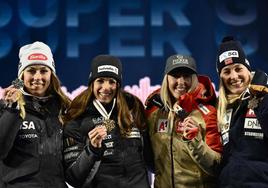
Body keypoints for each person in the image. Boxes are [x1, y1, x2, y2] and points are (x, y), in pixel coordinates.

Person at [63, 55, 152, 188]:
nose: (106, 87)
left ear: (118, 84)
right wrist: (92, 150)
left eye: (111, 81)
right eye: (100, 80)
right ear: (92, 83)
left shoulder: (133, 108)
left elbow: (150, 159)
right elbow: (73, 178)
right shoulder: (77, 118)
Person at [145, 54, 222, 188]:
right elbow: (149, 159)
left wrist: (195, 142)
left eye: (186, 76)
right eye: (175, 76)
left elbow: (216, 166)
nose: (181, 82)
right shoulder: (153, 112)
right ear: (166, 79)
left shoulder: (207, 114)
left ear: (194, 79)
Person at [0, 41, 71, 187]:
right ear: (21, 75)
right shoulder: (6, 107)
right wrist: (13, 109)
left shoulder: (64, 108)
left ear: (51, 74)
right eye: (31, 70)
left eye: (44, 71)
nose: (37, 77)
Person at [216, 36, 268, 187]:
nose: (233, 77)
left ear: (248, 69)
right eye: (226, 71)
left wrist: (259, 99)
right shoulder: (220, 110)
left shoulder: (264, 97)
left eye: (238, 69)